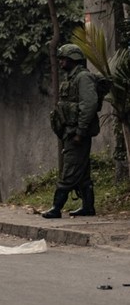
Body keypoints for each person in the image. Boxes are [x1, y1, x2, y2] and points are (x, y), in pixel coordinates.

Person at [43, 44, 99, 219]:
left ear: (73, 59)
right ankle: (88, 207)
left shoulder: (83, 78)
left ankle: (56, 208)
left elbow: (89, 105)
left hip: (77, 133)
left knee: (69, 169)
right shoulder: (72, 78)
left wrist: (80, 131)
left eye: (63, 59)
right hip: (71, 131)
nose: (60, 62)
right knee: (82, 173)